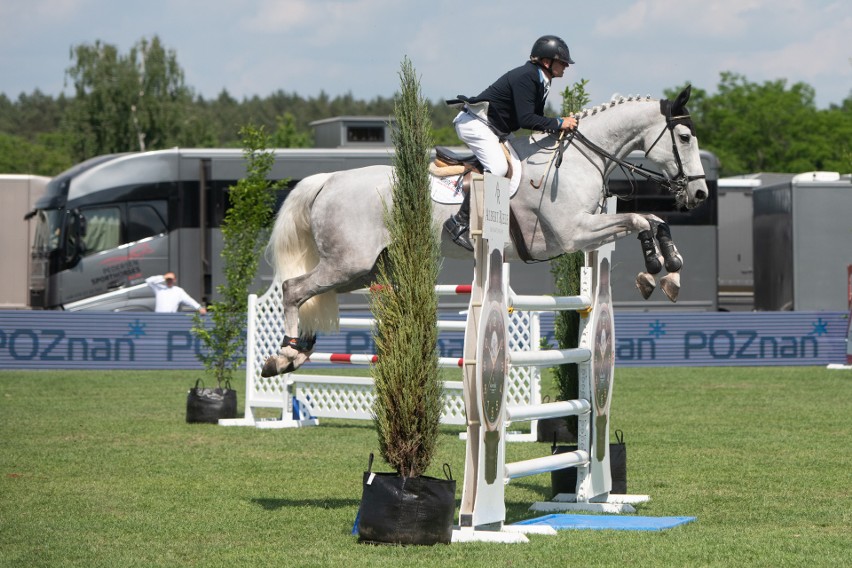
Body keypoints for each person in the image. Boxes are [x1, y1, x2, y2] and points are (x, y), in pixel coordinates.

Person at [444, 35, 579, 251]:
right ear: (547, 62)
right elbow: (527, 120)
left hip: (496, 129)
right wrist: (559, 122)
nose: (565, 66)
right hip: (476, 124)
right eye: (562, 62)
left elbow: (535, 118)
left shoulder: (542, 79)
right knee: (498, 168)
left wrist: (556, 125)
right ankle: (458, 221)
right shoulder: (527, 77)